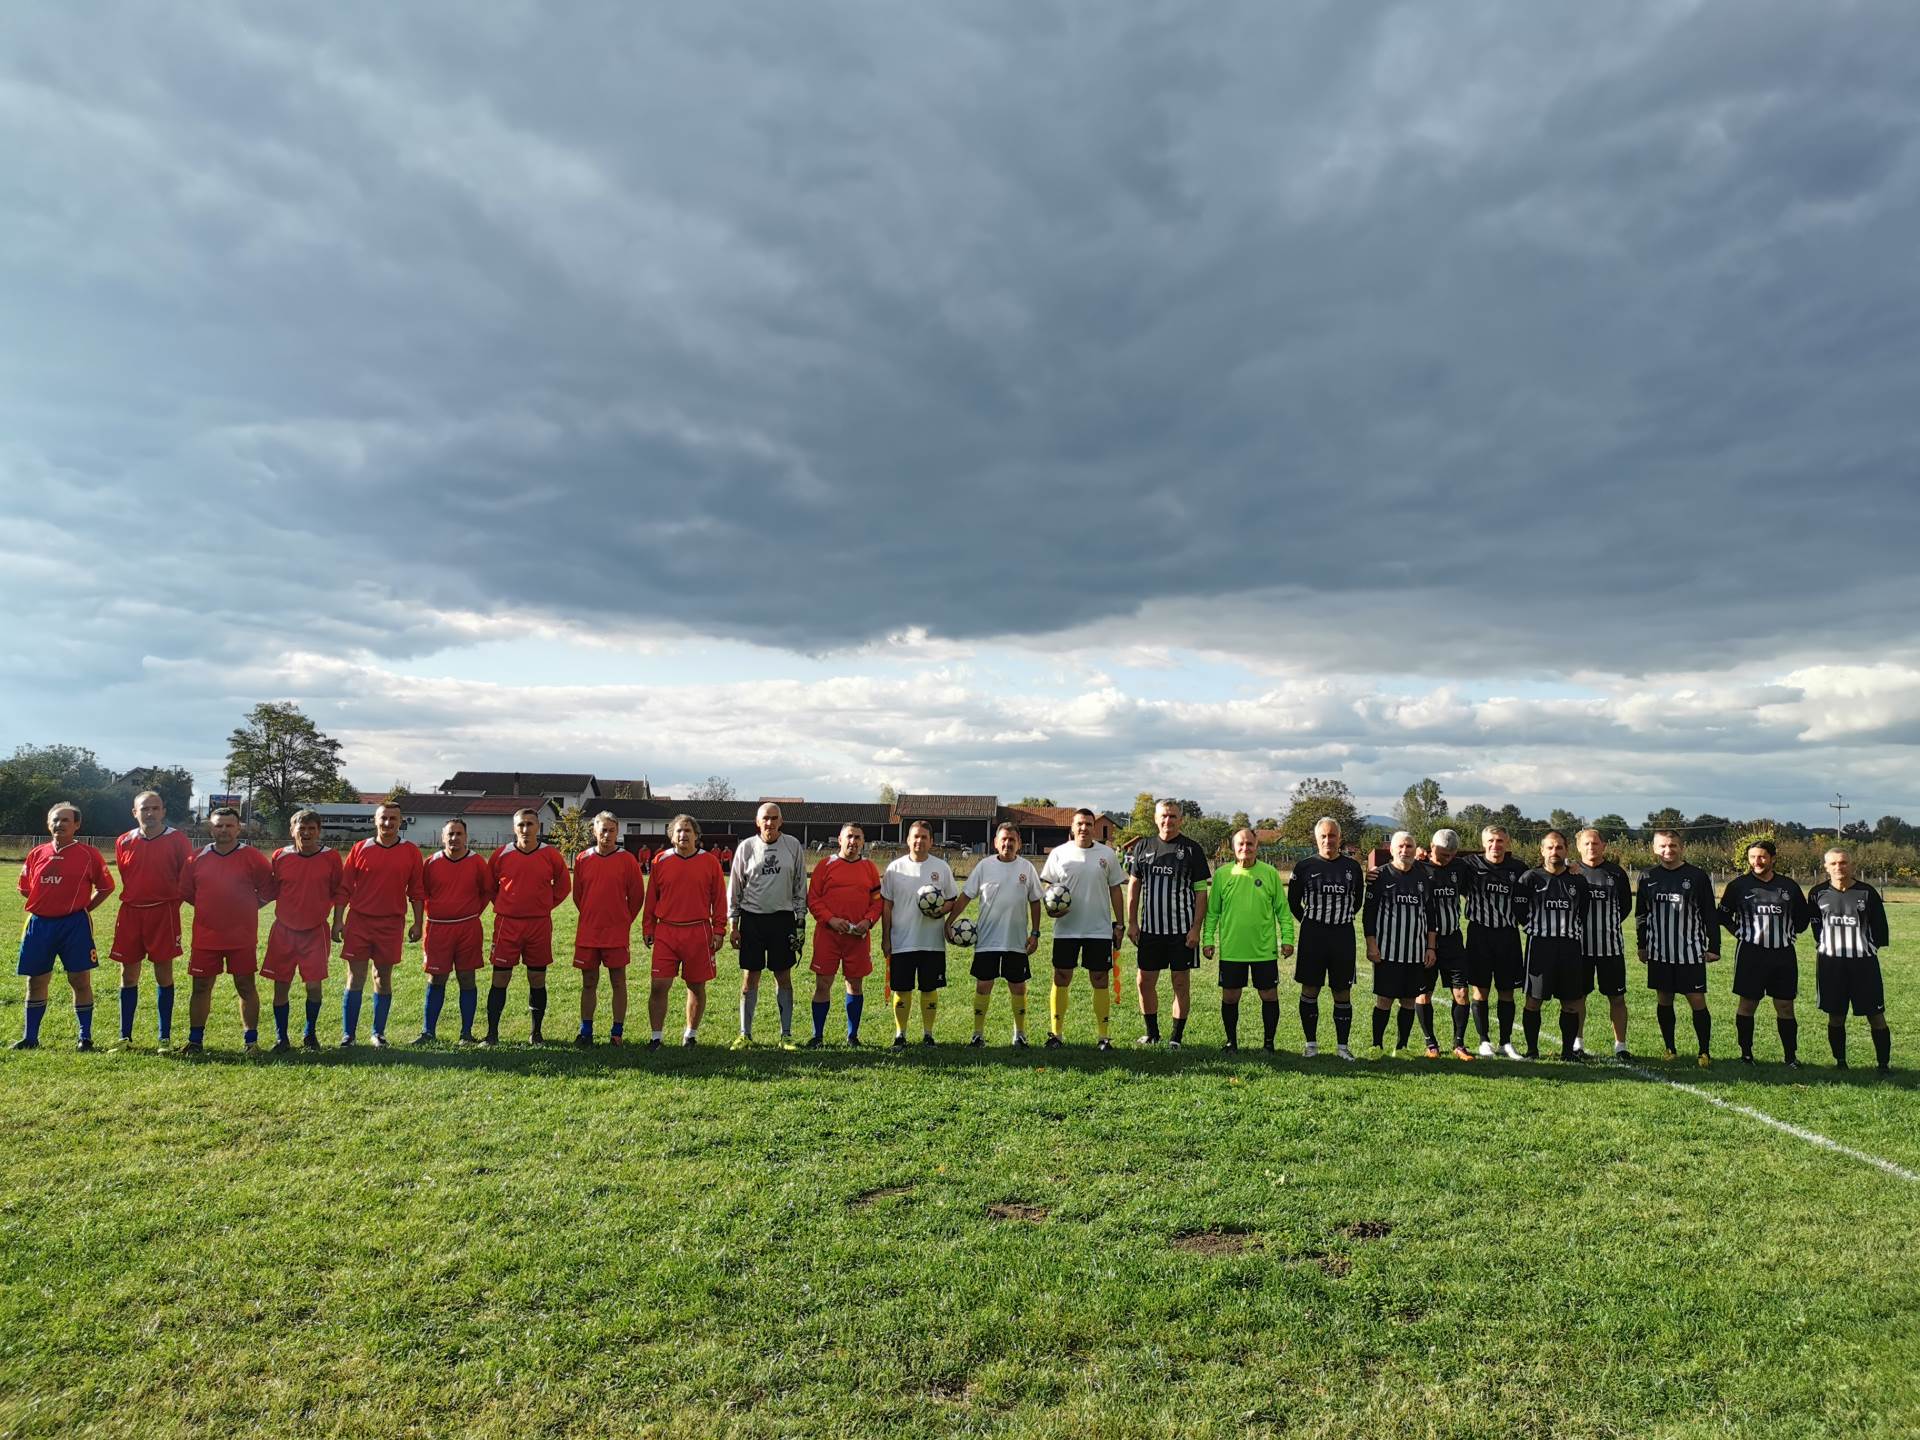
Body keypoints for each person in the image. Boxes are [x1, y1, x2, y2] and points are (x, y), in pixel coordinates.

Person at [13, 801, 114, 1050]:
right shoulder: (37, 853)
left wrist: (83, 909)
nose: (59, 824)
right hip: (39, 925)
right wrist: (46, 904)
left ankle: (85, 1037)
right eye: (55, 820)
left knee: (80, 980)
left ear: (76, 825)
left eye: (65, 820)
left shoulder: (89, 854)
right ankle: (30, 1037)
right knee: (35, 981)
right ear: (48, 824)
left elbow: (106, 887)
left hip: (74, 926)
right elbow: (25, 888)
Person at [179, 805, 275, 1054]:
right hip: (205, 936)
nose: (223, 830)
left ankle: (251, 1042)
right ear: (210, 828)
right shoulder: (196, 857)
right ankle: (195, 1041)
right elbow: (188, 892)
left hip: (241, 936)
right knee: (200, 987)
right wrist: (210, 909)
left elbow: (268, 890)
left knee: (245, 985)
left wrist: (247, 909)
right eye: (218, 825)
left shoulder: (252, 857)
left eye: (229, 825)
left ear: (238, 828)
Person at [331, 802, 425, 1048]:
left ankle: (378, 1033)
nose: (388, 823)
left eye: (393, 819)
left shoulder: (411, 852)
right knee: (356, 976)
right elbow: (344, 888)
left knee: (383, 977)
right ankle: (348, 1035)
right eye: (383, 818)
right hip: (359, 922)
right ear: (375, 820)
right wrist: (338, 919)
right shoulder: (360, 848)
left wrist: (417, 922)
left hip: (391, 924)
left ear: (400, 821)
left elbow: (417, 891)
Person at [1125, 799, 1211, 1048]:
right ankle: (1152, 1033)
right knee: (1144, 982)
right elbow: (1134, 886)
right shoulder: (1143, 847)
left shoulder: (1192, 849)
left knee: (1180, 983)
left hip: (1181, 932)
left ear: (1180, 820)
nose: (1168, 820)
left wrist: (1196, 928)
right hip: (1150, 930)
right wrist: (1132, 922)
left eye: (1173, 816)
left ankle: (1176, 1037)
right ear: (1155, 818)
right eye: (1164, 816)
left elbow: (1201, 893)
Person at [1718, 839, 1812, 1066]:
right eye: (1752, 857)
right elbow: (1722, 915)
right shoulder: (1738, 886)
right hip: (1751, 954)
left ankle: (1790, 1057)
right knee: (1748, 1004)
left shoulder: (1789, 886)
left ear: (1772, 858)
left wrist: (1787, 931)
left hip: (1783, 955)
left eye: (1761, 857)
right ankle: (1746, 1054)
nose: (1756, 861)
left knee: (1785, 1006)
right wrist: (1740, 932)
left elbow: (1802, 920)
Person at [1039, 809, 1126, 1050]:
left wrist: (1120, 924)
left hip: (1098, 929)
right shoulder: (1059, 853)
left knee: (1100, 979)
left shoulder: (1107, 854)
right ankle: (1056, 1034)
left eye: (1089, 824)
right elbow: (1048, 886)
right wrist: (1051, 907)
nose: (1084, 828)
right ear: (1072, 826)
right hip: (1066, 929)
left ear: (1094, 828)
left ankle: (1103, 1036)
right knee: (1061, 977)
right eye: (1080, 823)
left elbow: (1116, 890)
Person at [109, 790, 190, 1047]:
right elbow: (126, 874)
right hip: (131, 912)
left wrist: (171, 902)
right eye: (145, 808)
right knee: (128, 975)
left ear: (163, 811)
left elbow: (186, 877)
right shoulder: (123, 841)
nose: (150, 813)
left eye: (155, 808)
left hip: (163, 912)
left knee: (163, 974)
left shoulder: (177, 839)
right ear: (135, 812)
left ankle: (164, 1037)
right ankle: (125, 1036)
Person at [1203, 828, 1294, 1051]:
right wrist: (1208, 940)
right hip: (1233, 949)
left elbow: (1282, 910)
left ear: (1257, 846)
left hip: (1263, 949)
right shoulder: (1223, 875)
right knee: (1231, 996)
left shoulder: (1270, 873)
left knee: (1269, 995)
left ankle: (1269, 1044)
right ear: (1233, 848)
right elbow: (1213, 911)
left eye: (1249, 844)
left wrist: (1288, 938)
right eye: (1240, 844)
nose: (1245, 848)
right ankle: (1231, 1042)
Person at [486, 808, 572, 1044]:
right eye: (521, 824)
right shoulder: (501, 854)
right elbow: (489, 886)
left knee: (537, 978)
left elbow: (564, 886)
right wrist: (506, 904)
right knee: (500, 978)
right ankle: (492, 1034)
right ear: (514, 828)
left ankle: (536, 1033)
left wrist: (543, 905)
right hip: (507, 924)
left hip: (538, 925)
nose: (526, 829)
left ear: (539, 827)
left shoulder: (551, 855)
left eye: (530, 824)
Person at [1635, 828, 1720, 1066]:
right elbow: (1641, 914)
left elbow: (1709, 915)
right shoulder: (1647, 876)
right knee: (1664, 999)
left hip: (1690, 952)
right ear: (1654, 849)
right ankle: (1670, 1048)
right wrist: (1642, 945)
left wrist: (1714, 946)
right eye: (1662, 846)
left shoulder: (1697, 876)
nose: (1667, 850)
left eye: (1672, 845)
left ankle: (1704, 1051)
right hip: (1659, 951)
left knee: (1697, 1000)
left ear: (1681, 847)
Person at [727, 803, 808, 1050]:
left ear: (781, 821)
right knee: (750, 977)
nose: (770, 823)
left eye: (774, 818)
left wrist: (800, 922)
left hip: (782, 920)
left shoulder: (792, 845)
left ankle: (786, 1035)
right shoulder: (747, 847)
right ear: (757, 822)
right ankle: (745, 1033)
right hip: (752, 919)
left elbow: (799, 885)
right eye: (765, 819)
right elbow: (735, 888)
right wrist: (734, 924)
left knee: (783, 976)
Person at [263, 810, 345, 1051]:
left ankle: (310, 1034)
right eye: (302, 829)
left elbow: (338, 892)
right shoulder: (280, 857)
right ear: (292, 831)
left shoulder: (330, 858)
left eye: (312, 829)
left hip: (315, 931)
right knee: (281, 985)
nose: (306, 833)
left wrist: (338, 921)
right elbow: (271, 889)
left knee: (313, 985)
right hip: (284, 931)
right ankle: (282, 1037)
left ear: (319, 831)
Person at [642, 815, 726, 1048]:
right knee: (659, 985)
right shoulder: (660, 861)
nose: (683, 835)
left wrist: (719, 930)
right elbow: (651, 899)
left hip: (698, 931)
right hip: (667, 931)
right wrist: (648, 927)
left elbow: (719, 899)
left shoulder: (710, 862)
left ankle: (690, 1034)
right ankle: (656, 1037)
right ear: (671, 836)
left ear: (696, 836)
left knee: (696, 986)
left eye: (688, 830)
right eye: (678, 831)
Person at [955, 823, 1042, 1048]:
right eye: (1003, 839)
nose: (1007, 843)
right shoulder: (984, 866)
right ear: (996, 842)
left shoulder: (1027, 868)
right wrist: (949, 920)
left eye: (1012, 840)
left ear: (1019, 844)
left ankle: (1020, 1034)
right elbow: (966, 896)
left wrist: (1035, 933)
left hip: (1016, 940)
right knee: (983, 985)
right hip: (987, 940)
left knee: (1018, 986)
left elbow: (1035, 901)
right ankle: (977, 1034)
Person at [1807, 848, 1892, 1072]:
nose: (1838, 867)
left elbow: (1881, 930)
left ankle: (1883, 1065)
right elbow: (1816, 928)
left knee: (1876, 1015)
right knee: (1836, 1016)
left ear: (1851, 864)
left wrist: (1867, 948)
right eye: (1833, 864)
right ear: (1825, 867)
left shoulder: (1867, 893)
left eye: (1843, 862)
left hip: (1863, 964)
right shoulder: (1817, 894)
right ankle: (1840, 1062)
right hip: (1831, 965)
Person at [1287, 818, 1364, 1059]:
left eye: (1332, 836)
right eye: (1323, 836)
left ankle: (1342, 1047)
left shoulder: (1352, 868)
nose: (1328, 840)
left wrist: (1337, 920)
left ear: (1339, 838)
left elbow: (1358, 901)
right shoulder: (1304, 866)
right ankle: (1311, 1045)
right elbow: (1293, 902)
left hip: (1342, 935)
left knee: (1342, 990)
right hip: (1313, 936)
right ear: (1316, 838)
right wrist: (1311, 922)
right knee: (1310, 987)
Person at [414, 818, 494, 1045]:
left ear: (466, 837)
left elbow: (487, 891)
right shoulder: (431, 863)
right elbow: (422, 893)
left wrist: (472, 913)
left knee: (467, 977)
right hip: (438, 928)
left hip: (468, 927)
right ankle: (428, 1032)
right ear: (442, 837)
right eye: (450, 834)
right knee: (436, 977)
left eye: (459, 834)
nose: (454, 838)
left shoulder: (477, 862)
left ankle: (466, 1034)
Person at [805, 823, 883, 1046]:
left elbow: (877, 903)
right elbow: (814, 899)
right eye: (849, 836)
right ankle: (817, 1036)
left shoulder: (869, 868)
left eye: (858, 838)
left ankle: (852, 1036)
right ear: (839, 840)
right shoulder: (825, 865)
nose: (853, 842)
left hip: (857, 938)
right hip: (828, 936)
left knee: (855, 985)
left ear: (863, 841)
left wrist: (867, 922)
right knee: (823, 985)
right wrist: (831, 919)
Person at [879, 821, 955, 1046]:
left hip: (931, 941)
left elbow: (952, 900)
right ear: (907, 840)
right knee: (902, 989)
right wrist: (885, 938)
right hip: (902, 941)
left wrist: (941, 910)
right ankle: (900, 1034)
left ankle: (928, 1034)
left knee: (929, 989)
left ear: (931, 841)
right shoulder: (895, 868)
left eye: (924, 837)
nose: (919, 841)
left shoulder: (941, 868)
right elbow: (886, 906)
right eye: (915, 836)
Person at [1516, 831, 1590, 1061]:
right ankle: (1532, 1050)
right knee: (1534, 1000)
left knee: (1570, 1002)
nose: (1554, 852)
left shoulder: (1577, 880)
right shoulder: (1530, 878)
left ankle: (1568, 1052)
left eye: (1559, 847)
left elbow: (1583, 911)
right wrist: (1534, 927)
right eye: (1550, 847)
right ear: (1542, 850)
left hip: (1569, 947)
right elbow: (1520, 910)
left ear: (1566, 850)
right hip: (1540, 946)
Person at [572, 812, 645, 1046]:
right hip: (589, 932)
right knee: (589, 982)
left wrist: (623, 920)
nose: (607, 834)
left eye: (611, 830)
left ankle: (617, 1032)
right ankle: (586, 1031)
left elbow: (636, 898)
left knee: (618, 982)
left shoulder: (627, 860)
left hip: (616, 933)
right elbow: (578, 896)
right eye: (602, 829)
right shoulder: (583, 859)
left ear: (618, 832)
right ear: (594, 831)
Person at [1363, 831, 1436, 1059]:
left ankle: (1402, 1047)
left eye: (1409, 846)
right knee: (1384, 999)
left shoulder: (1424, 878)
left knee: (1408, 1000)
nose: (1405, 851)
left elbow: (1431, 916)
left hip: (1415, 952)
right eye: (1400, 847)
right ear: (1392, 850)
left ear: (1416, 850)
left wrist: (1430, 947)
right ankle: (1377, 1046)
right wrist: (1371, 945)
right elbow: (1369, 915)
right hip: (1387, 951)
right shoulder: (1380, 876)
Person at [1459, 825, 1529, 1058]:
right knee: (1480, 990)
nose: (1495, 845)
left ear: (1507, 843)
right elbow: (1442, 865)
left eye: (1499, 841)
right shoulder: (1469, 865)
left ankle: (1506, 1042)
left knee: (1507, 991)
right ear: (1483, 843)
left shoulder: (1518, 868)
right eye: (1490, 841)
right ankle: (1484, 1040)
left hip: (1508, 935)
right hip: (1480, 933)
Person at [1572, 828, 1634, 1058]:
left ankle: (1621, 1046)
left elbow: (1625, 907)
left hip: (1611, 947)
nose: (1591, 847)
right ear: (1578, 846)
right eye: (1586, 844)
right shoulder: (1572, 872)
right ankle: (1577, 1044)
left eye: (1595, 843)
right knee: (1578, 997)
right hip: (1579, 948)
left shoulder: (1616, 873)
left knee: (1617, 998)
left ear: (1604, 846)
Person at [1424, 829, 1473, 1060]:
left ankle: (1459, 1044)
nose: (1446, 859)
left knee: (1462, 992)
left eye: (1451, 855)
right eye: (1442, 854)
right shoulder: (1419, 867)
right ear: (1431, 846)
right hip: (1424, 941)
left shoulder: (1460, 867)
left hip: (1453, 939)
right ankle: (1430, 1043)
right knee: (1424, 994)